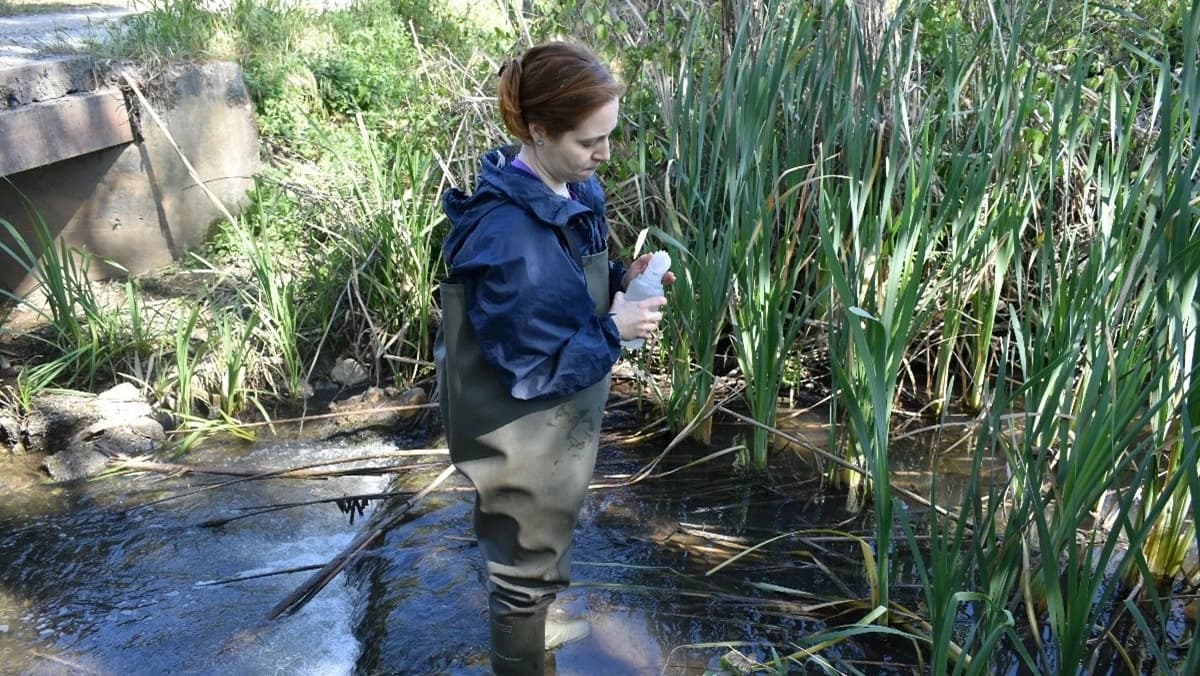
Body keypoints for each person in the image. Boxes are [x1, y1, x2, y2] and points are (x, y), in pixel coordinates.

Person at [434, 42, 673, 675]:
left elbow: (570, 280)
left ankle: (535, 624)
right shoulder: (505, 237)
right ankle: (520, 652)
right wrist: (616, 331)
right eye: (589, 142)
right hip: (520, 422)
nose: (603, 156)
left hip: (558, 414)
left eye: (608, 138)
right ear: (537, 131)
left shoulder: (569, 186)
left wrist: (624, 276)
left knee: (547, 532)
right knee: (521, 561)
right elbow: (532, 370)